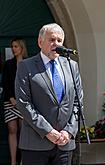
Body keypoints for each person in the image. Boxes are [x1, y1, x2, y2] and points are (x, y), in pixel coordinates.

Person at [15, 23, 83, 165]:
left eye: (59, 41)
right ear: (40, 42)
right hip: (35, 144)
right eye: (52, 40)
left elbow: (77, 102)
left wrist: (69, 131)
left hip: (64, 144)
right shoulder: (26, 66)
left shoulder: (72, 65)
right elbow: (23, 103)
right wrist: (48, 131)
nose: (56, 44)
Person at [2, 38, 28, 165]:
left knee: (24, 131)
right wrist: (12, 98)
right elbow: (5, 82)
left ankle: (23, 161)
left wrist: (23, 100)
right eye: (12, 46)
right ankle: (13, 161)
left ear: (22, 48)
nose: (13, 49)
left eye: (16, 46)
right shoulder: (8, 64)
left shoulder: (28, 63)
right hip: (10, 101)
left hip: (24, 103)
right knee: (12, 129)